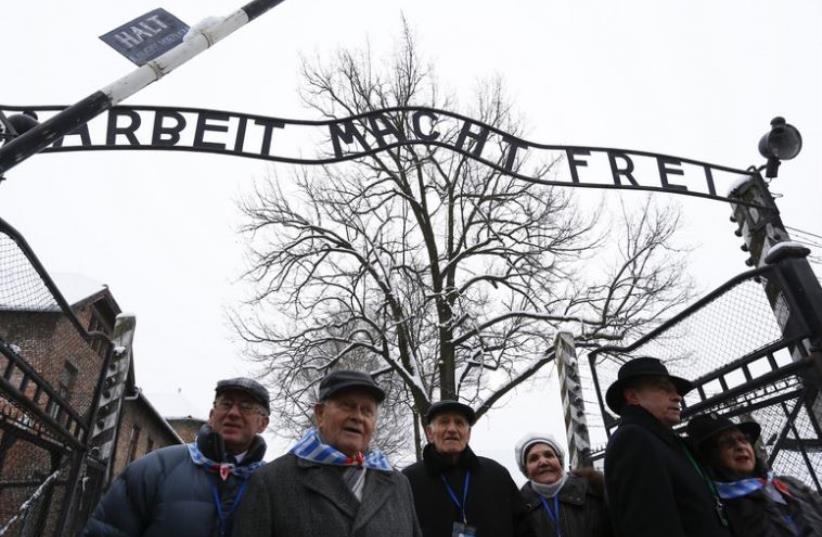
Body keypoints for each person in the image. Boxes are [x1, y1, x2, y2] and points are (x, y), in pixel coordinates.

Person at [232, 369, 421, 537]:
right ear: (320, 414)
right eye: (347, 406)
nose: (357, 417)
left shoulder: (398, 485)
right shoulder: (270, 481)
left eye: (367, 411)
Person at [84, 377, 270, 537]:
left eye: (246, 406)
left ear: (263, 423)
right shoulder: (154, 469)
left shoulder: (274, 485)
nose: (233, 413)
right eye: (226, 404)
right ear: (212, 416)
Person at [603, 357, 732, 537]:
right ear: (633, 397)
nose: (677, 397)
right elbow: (648, 525)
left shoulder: (667, 442)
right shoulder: (633, 439)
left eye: (676, 391)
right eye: (663, 388)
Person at [403, 400, 534, 537]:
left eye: (459, 423)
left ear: (468, 433)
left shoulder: (497, 475)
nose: (452, 429)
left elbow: (524, 528)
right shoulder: (408, 481)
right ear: (430, 433)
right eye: (444, 422)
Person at [687, 413, 822, 537]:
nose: (740, 446)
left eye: (744, 439)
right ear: (710, 456)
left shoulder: (788, 484)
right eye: (727, 442)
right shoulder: (720, 510)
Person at [514, 432, 611, 537]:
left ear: (560, 461)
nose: (543, 462)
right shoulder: (518, 508)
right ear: (526, 470)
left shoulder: (594, 492)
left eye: (549, 455)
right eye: (533, 458)